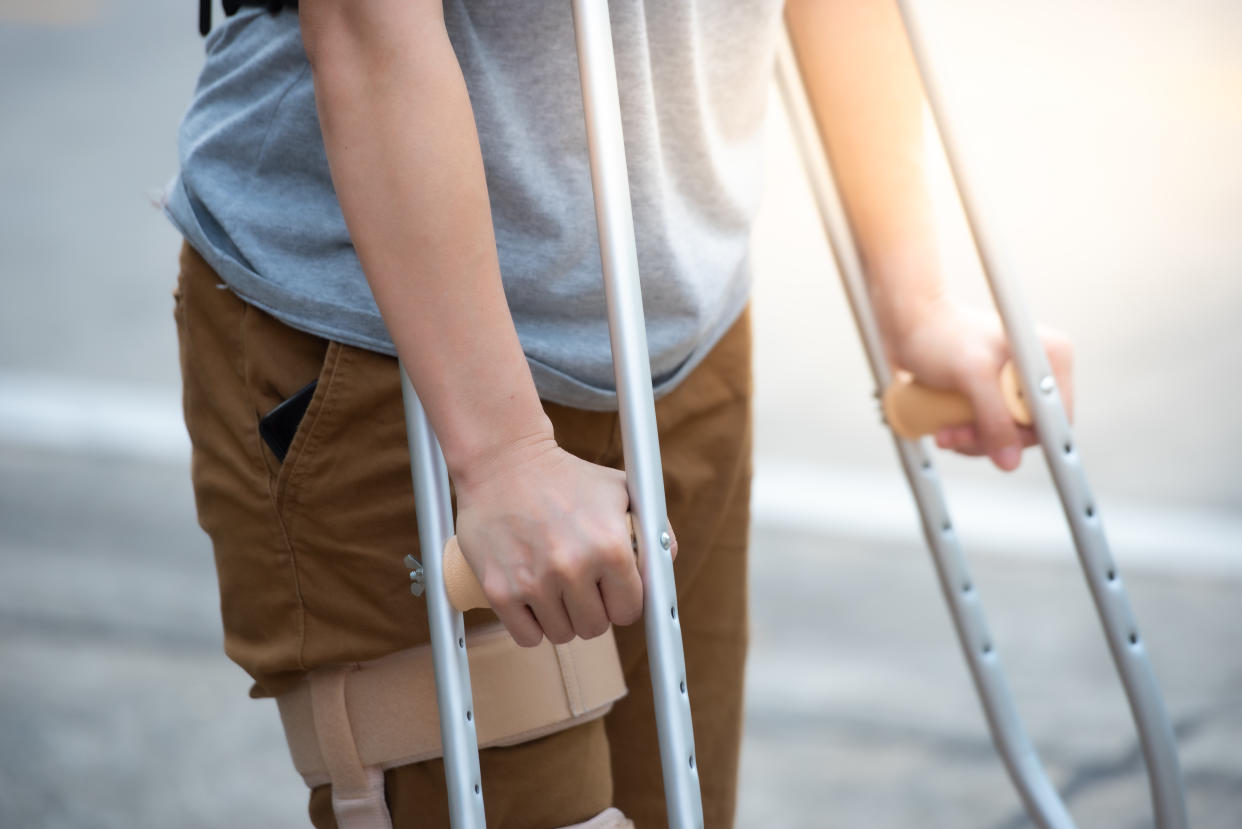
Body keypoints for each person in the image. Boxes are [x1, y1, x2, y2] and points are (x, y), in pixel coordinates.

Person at [168, 1, 1073, 826]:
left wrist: (913, 296)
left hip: (677, 330)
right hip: (393, 348)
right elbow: (368, 30)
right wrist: (502, 453)